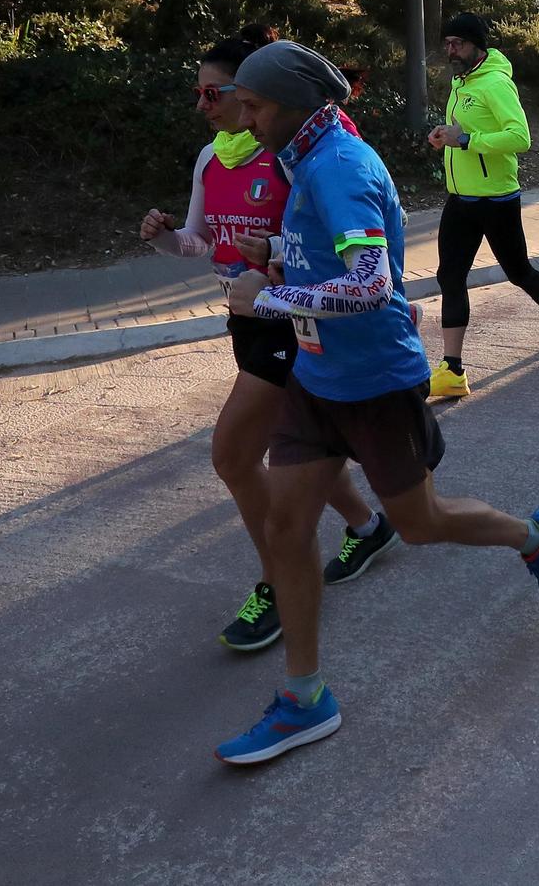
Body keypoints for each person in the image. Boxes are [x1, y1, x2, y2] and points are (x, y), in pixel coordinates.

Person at [216, 40, 539, 764]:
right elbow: (331, 260)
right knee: (288, 528)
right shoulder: (305, 155)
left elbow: (374, 285)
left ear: (287, 104)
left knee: (420, 523)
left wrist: (271, 295)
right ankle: (304, 697)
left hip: (376, 382)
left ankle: (534, 537)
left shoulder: (339, 165)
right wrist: (279, 256)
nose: (241, 118)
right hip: (316, 379)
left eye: (251, 105)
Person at [141, 36, 397, 653]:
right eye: (198, 92)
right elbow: (204, 243)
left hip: (291, 321)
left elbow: (321, 245)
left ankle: (280, 583)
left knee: (233, 455)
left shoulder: (290, 154)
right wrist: (165, 239)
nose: (203, 104)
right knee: (295, 443)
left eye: (215, 93)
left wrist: (278, 271)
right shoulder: (210, 158)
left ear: (254, 95)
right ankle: (367, 525)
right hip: (247, 319)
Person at [426, 13, 539, 398]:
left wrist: (467, 141)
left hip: (496, 199)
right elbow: (466, 134)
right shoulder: (462, 83)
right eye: (447, 44)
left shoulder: (495, 82)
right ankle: (452, 369)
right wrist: (446, 137)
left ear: (477, 45)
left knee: (519, 271)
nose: (451, 51)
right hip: (461, 199)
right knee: (450, 277)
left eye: (457, 43)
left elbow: (520, 137)